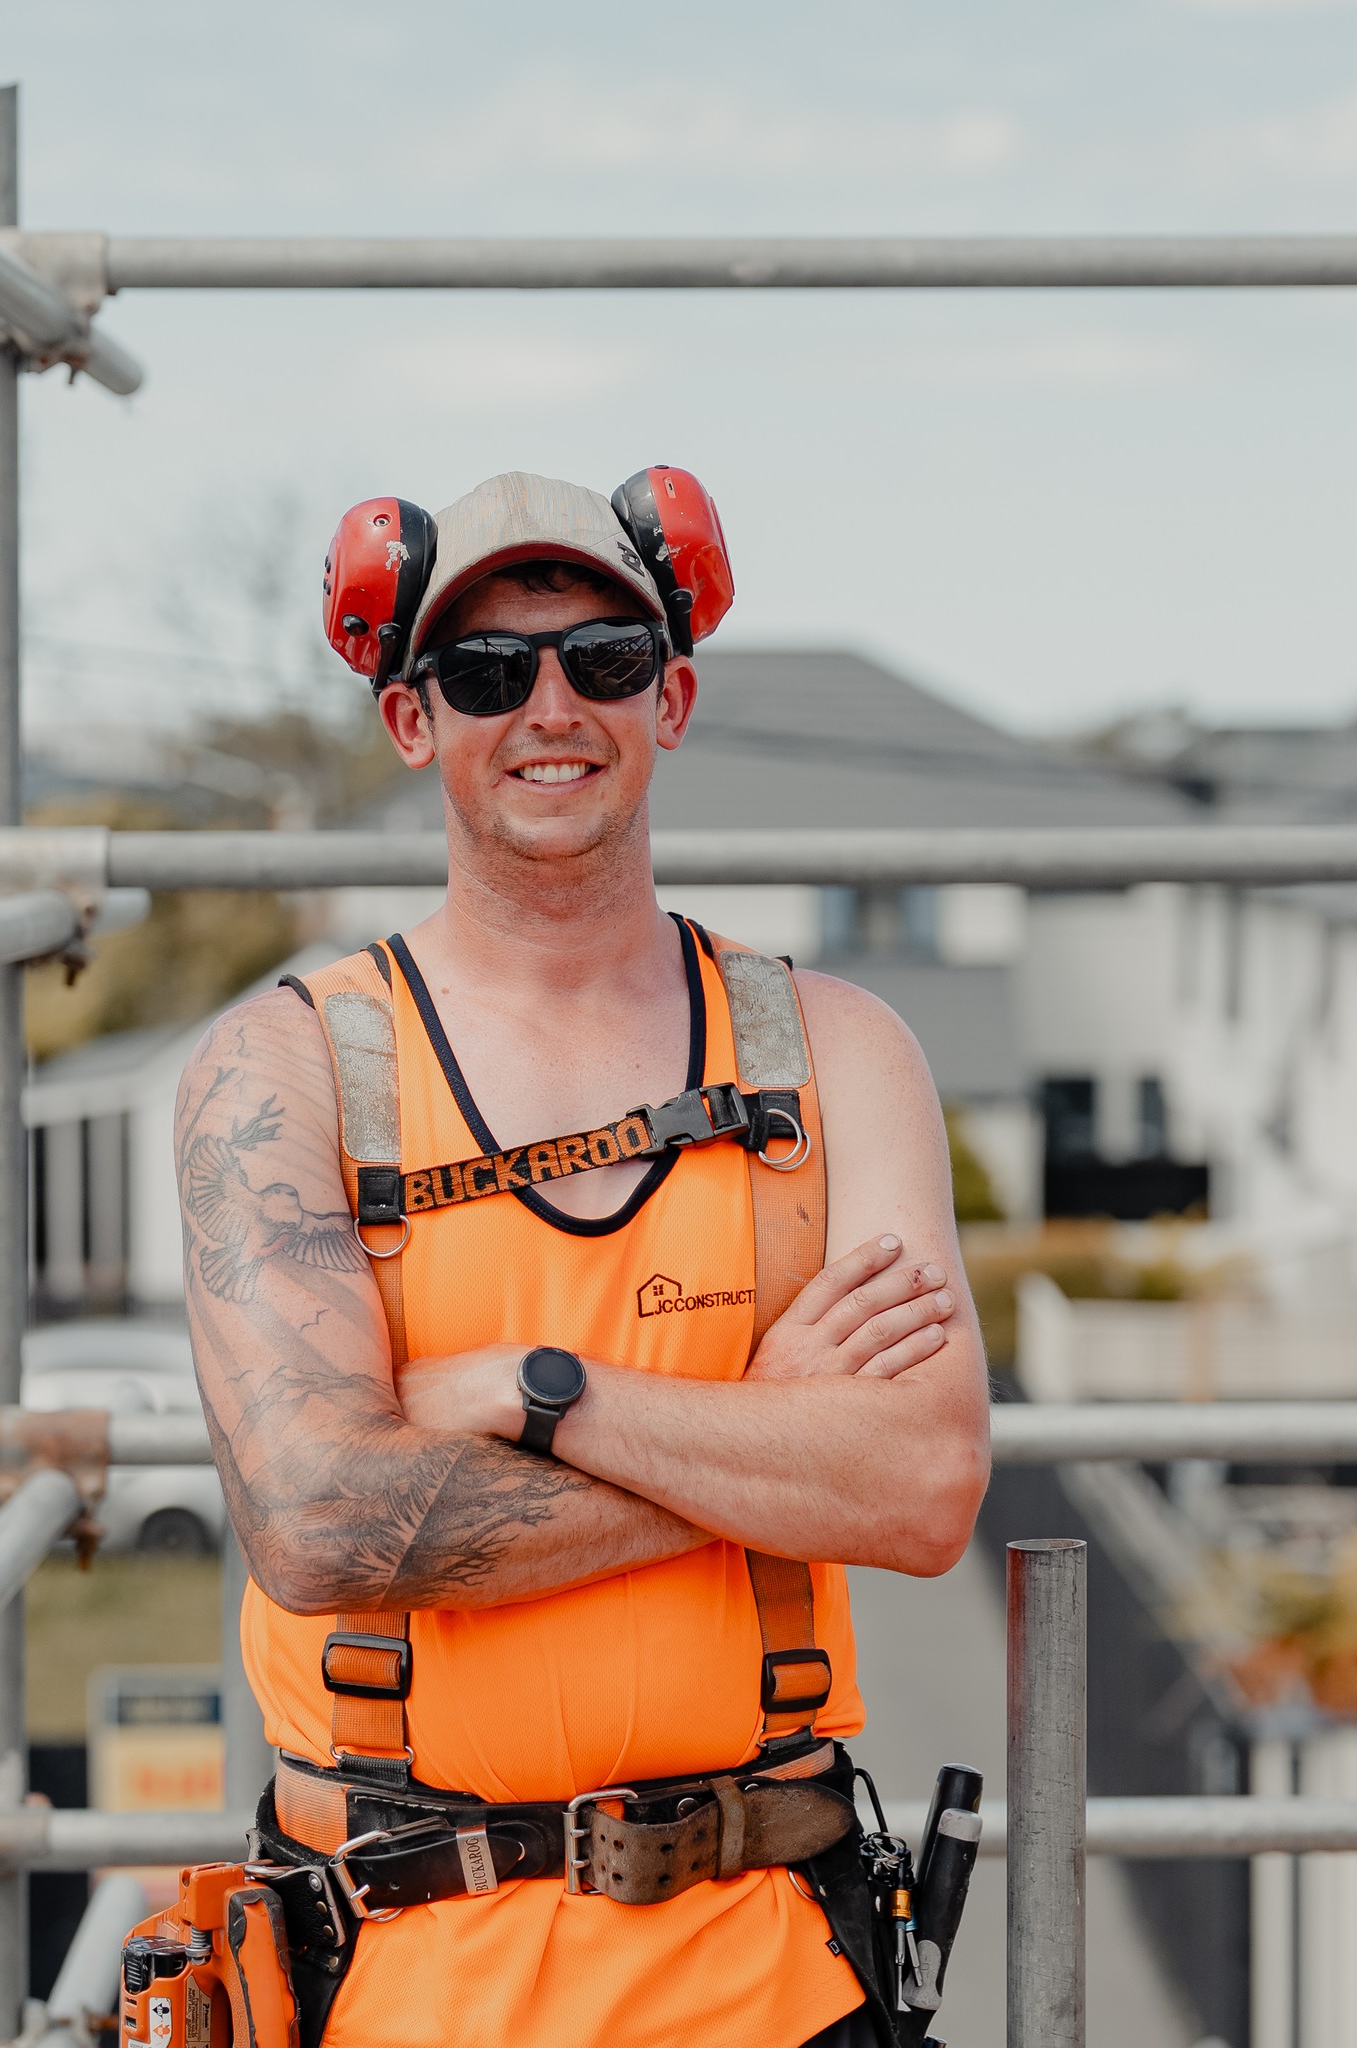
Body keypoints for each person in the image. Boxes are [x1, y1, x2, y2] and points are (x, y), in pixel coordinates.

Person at [177, 468, 990, 2048]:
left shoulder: (837, 1052)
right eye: (488, 672)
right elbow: (322, 1520)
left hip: (776, 1971)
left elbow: (920, 1486)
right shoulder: (282, 1074)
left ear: (670, 697)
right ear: (414, 723)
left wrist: (535, 1394)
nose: (551, 706)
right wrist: (763, 1434)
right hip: (400, 1978)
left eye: (603, 658)